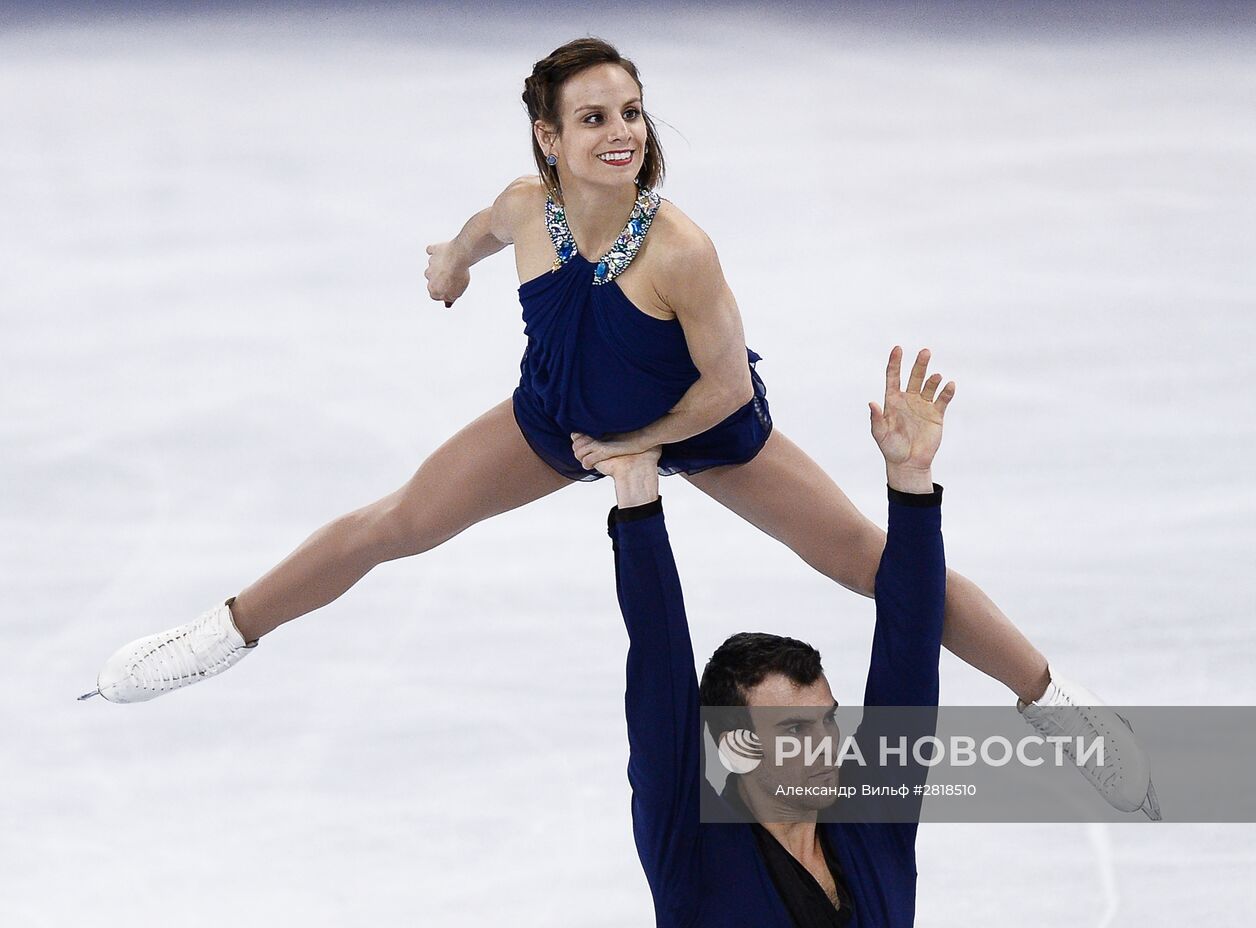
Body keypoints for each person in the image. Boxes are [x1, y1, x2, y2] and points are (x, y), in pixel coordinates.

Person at [81, 38, 1156, 819]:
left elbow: (728, 391)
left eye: (630, 112)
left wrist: (647, 449)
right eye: (592, 117)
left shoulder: (679, 248)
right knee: (394, 520)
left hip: (700, 427)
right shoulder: (524, 206)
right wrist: (452, 266)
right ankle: (219, 635)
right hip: (560, 416)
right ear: (548, 137)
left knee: (876, 566)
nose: (620, 132)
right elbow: (476, 231)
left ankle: (1052, 699)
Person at [602, 345, 953, 926]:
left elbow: (910, 652)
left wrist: (911, 481)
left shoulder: (872, 820)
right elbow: (658, 665)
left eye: (827, 722)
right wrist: (638, 496)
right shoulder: (692, 850)